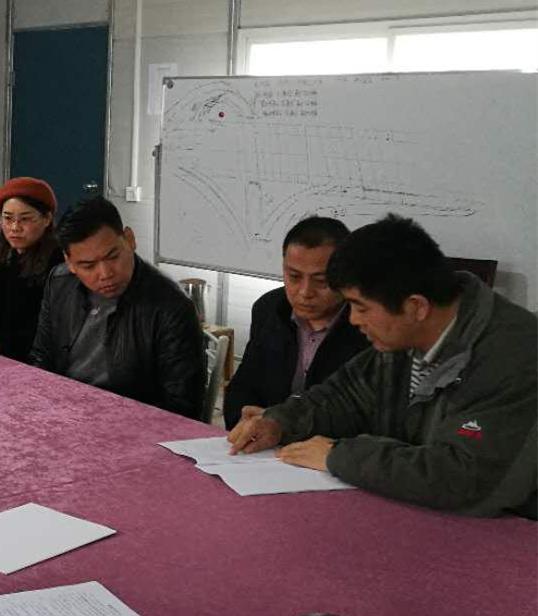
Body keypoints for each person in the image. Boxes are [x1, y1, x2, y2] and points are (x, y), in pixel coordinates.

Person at [228, 214, 537, 517]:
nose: (353, 320)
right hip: (416, 514)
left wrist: (340, 456)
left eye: (361, 308)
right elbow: (344, 396)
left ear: (416, 307)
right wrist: (280, 422)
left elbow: (463, 478)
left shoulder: (515, 356)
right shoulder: (405, 339)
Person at [30, 197, 206, 419]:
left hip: (131, 423)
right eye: (88, 266)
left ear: (129, 239)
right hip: (64, 413)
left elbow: (182, 407)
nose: (105, 274)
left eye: (113, 257)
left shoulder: (172, 306)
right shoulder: (59, 282)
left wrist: (107, 419)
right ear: (70, 263)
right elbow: (42, 357)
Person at [222, 216, 369, 429]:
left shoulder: (368, 325)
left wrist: (284, 427)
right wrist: (245, 424)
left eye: (321, 281)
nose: (305, 292)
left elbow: (362, 417)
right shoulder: (269, 309)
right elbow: (243, 388)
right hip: (266, 440)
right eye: (294, 277)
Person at [0, 177, 64, 362]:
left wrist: (0, 348)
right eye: (8, 218)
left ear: (47, 219)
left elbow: (47, 327)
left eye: (25, 219)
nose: (15, 228)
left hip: (32, 361)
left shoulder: (58, 264)